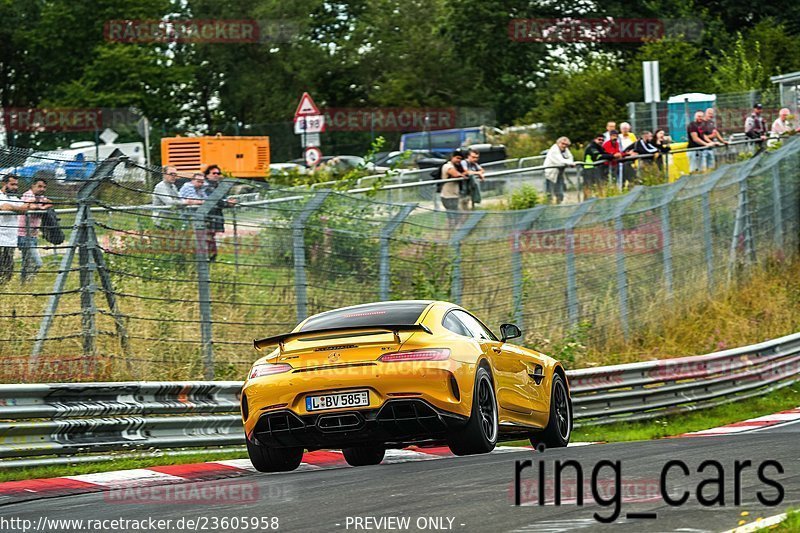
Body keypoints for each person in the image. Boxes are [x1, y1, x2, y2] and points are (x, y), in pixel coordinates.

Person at [17, 177, 52, 283]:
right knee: (37, 262)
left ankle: (25, 284)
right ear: (33, 186)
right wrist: (43, 207)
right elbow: (31, 207)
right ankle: (27, 281)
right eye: (39, 186)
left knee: (27, 261)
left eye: (44, 187)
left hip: (33, 234)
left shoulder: (40, 197)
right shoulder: (28, 195)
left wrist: (42, 206)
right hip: (23, 234)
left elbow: (50, 203)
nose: (42, 189)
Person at [202, 164, 236, 262]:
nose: (216, 175)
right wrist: (227, 203)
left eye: (218, 173)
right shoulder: (205, 186)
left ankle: (212, 258)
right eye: (214, 173)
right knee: (207, 237)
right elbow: (214, 200)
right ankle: (207, 258)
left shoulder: (218, 185)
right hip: (207, 216)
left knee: (212, 237)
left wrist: (228, 202)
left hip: (216, 215)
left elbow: (222, 199)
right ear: (207, 175)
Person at [0, 175, 30, 284]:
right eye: (12, 184)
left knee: (8, 269)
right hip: (1, 238)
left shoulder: (14, 198)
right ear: (4, 184)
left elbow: (25, 208)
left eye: (16, 184)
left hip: (11, 239)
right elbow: (4, 207)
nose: (15, 187)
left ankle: (4, 289)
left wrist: (12, 207)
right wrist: (17, 209)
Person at [440, 150, 468, 228]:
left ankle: (453, 234)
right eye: (457, 158)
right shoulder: (448, 166)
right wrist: (465, 174)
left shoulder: (456, 167)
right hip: (448, 196)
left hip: (454, 196)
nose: (459, 160)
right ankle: (450, 235)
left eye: (461, 159)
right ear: (452, 157)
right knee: (454, 217)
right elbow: (456, 175)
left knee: (456, 217)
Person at [544, 137, 575, 204]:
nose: (564, 146)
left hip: (559, 173)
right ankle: (549, 205)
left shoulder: (565, 150)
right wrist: (570, 163)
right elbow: (560, 161)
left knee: (559, 191)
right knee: (550, 192)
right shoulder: (554, 150)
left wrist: (570, 162)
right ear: (558, 143)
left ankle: (559, 203)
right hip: (551, 173)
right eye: (562, 144)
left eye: (566, 144)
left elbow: (570, 157)